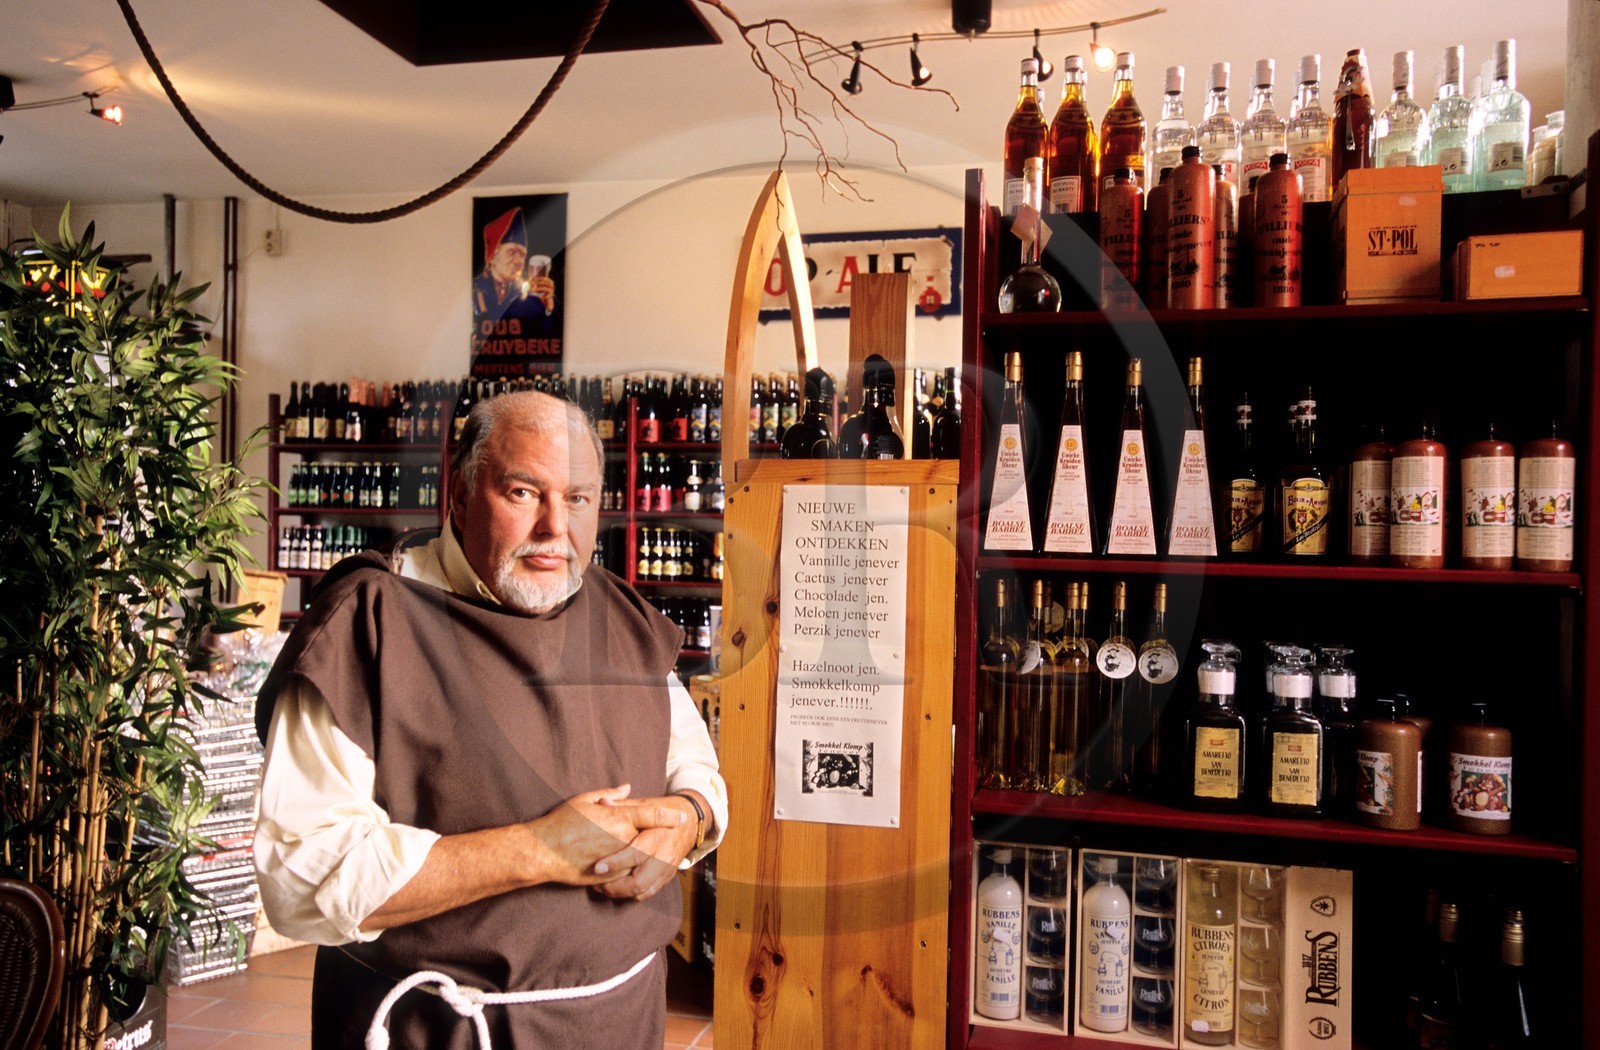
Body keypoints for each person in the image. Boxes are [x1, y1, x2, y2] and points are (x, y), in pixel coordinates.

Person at [253, 391, 725, 1049]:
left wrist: (692, 818)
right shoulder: (368, 621)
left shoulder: (618, 615)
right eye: (524, 492)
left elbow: (694, 765)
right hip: (441, 1030)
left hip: (619, 1025)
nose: (554, 527)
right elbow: (301, 875)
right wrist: (538, 850)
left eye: (578, 499)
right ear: (462, 492)